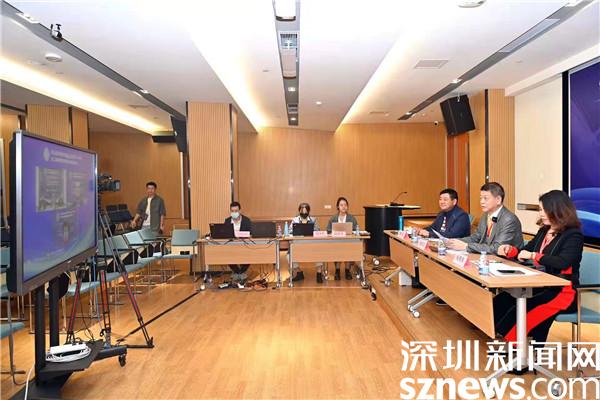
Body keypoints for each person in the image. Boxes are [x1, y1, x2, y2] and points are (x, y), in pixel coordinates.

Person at [494, 190, 583, 343]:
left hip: (563, 291)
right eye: (540, 209)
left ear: (559, 210)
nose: (541, 214)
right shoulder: (544, 231)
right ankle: (501, 338)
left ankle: (520, 351)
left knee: (528, 308)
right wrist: (511, 251)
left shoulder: (573, 235)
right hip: (541, 285)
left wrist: (534, 256)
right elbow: (526, 250)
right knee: (503, 300)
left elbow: (563, 262)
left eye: (545, 210)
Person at [447, 182, 523, 254]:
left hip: (507, 260)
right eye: (481, 198)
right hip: (487, 256)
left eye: (485, 198)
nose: (482, 202)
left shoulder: (509, 220)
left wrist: (466, 246)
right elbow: (476, 237)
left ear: (498, 200)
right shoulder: (486, 215)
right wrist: (453, 242)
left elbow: (497, 248)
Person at [289, 202, 324, 283]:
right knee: (288, 256)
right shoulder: (295, 220)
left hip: (311, 244)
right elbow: (290, 231)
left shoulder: (313, 220)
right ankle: (299, 272)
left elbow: (318, 230)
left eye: (306, 211)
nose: (304, 213)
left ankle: (319, 273)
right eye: (302, 211)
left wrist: (313, 230)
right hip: (298, 245)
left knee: (320, 252)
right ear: (299, 211)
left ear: (308, 211)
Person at [326, 197, 359, 280]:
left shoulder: (352, 218)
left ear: (347, 206)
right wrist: (333, 233)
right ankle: (337, 270)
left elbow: (356, 230)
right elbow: (328, 230)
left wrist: (352, 233)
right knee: (337, 249)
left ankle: (347, 270)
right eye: (341, 205)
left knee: (349, 249)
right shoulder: (333, 218)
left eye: (345, 205)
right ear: (338, 206)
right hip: (336, 242)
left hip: (349, 241)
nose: (343, 207)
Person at [224, 201, 252, 282]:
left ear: (240, 211)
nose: (234, 213)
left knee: (250, 253)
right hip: (231, 245)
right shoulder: (227, 221)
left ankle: (241, 272)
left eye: (236, 211)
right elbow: (224, 233)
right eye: (232, 211)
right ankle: (238, 272)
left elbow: (251, 233)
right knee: (225, 254)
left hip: (244, 245)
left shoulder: (246, 220)